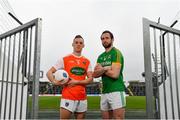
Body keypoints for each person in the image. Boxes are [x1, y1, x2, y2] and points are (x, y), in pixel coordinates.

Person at [46, 35, 93, 119]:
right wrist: (54, 82)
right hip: (68, 97)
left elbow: (90, 79)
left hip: (82, 98)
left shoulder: (87, 61)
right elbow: (49, 72)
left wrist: (76, 82)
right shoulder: (64, 59)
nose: (78, 44)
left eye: (80, 43)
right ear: (72, 44)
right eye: (76, 42)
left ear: (83, 45)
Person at [93, 30, 126, 119]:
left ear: (112, 39)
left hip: (116, 91)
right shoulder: (100, 56)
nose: (104, 40)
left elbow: (115, 74)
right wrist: (106, 68)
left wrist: (102, 69)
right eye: (102, 39)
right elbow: (95, 74)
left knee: (118, 118)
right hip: (104, 92)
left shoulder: (116, 53)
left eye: (107, 38)